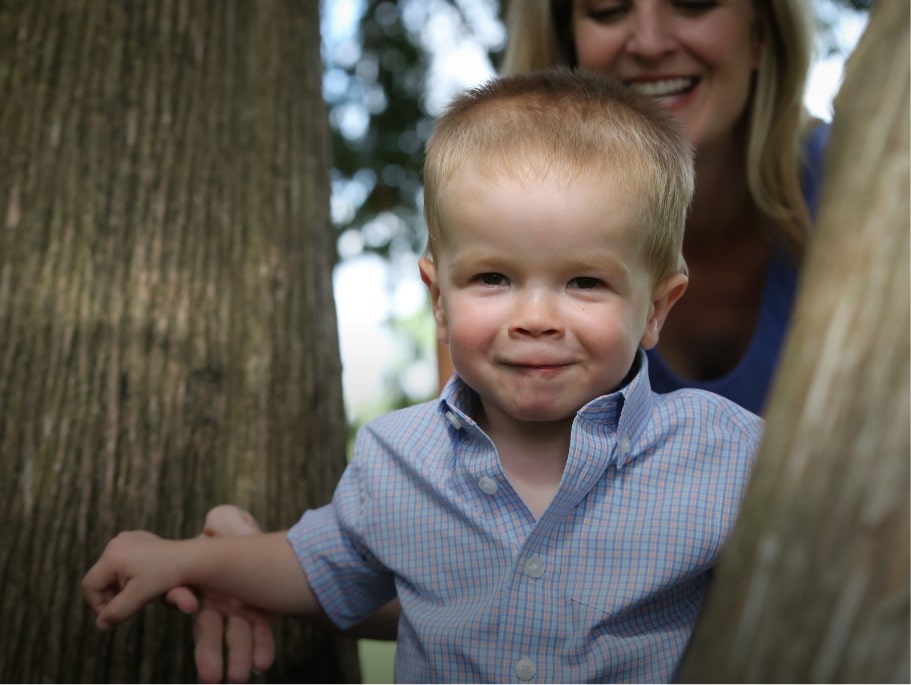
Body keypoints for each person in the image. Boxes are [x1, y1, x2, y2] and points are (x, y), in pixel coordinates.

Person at [185, 1, 833, 679]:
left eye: (584, 281)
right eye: (608, 6)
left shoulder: (868, 197)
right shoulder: (428, 428)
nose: (647, 40)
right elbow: (451, 572)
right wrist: (244, 565)